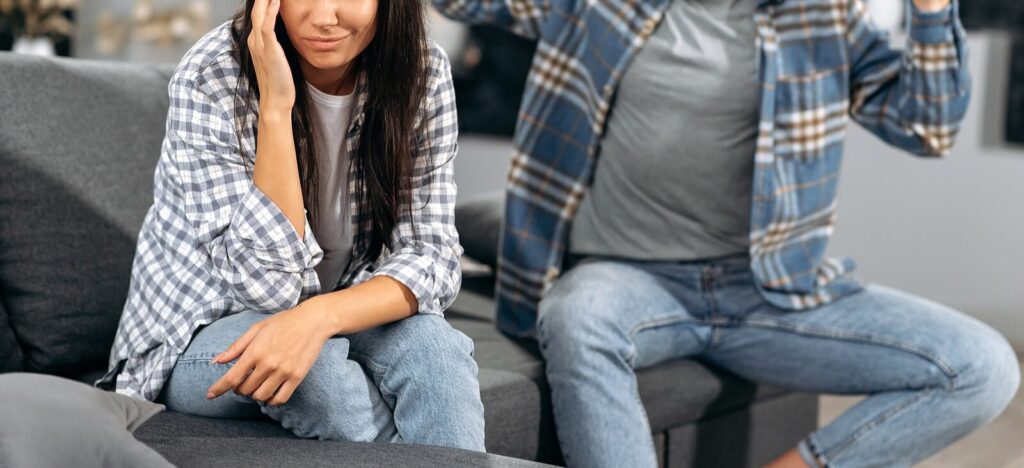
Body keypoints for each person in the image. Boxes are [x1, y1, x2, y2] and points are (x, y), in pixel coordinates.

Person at [433, 0, 1020, 466]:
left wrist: (932, 8)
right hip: (629, 277)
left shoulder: (823, 16)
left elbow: (927, 126)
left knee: (983, 368)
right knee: (575, 316)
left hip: (769, 292)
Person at [99, 0, 485, 451]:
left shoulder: (420, 71)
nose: (324, 17)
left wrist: (319, 316)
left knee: (437, 350)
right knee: (313, 371)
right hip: (194, 337)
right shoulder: (212, 76)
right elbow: (270, 290)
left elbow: (433, 257)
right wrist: (276, 110)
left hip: (331, 304)